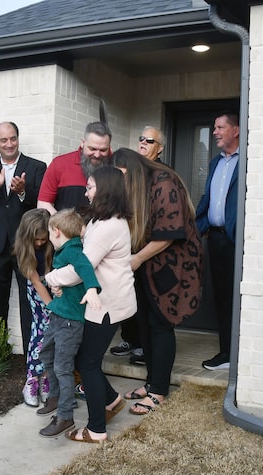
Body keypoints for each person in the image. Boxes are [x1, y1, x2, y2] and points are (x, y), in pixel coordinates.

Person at [44, 166, 135, 442]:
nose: (86, 191)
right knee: (87, 358)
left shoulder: (109, 226)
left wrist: (51, 277)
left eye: (91, 187)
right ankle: (110, 401)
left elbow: (80, 268)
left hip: (107, 304)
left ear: (105, 190)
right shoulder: (100, 220)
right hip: (101, 302)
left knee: (88, 362)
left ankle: (96, 429)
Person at [112, 148, 203, 415]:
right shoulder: (139, 185)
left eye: (122, 175)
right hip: (147, 262)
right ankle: (151, 382)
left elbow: (169, 233)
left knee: (160, 324)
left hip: (173, 265)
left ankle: (159, 392)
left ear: (133, 168)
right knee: (144, 323)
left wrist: (138, 258)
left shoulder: (164, 182)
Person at [0, 122, 47, 356]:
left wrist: (23, 192)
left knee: (30, 303)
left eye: (13, 138)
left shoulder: (36, 168)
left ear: (17, 138)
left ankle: (31, 359)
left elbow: (42, 207)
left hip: (27, 247)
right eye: (4, 140)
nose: (9, 144)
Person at [36, 209, 102, 438]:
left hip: (70, 323)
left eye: (49, 234)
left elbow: (85, 268)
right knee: (47, 355)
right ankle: (55, 398)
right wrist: (58, 287)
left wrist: (92, 288)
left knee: (62, 367)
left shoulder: (74, 250)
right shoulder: (65, 250)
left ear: (56, 232)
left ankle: (65, 415)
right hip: (58, 316)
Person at [109, 125, 166, 363]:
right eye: (141, 138)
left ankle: (145, 346)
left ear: (159, 148)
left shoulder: (162, 175)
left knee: (147, 303)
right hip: (128, 245)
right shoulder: (132, 171)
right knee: (127, 295)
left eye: (149, 141)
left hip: (151, 250)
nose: (143, 143)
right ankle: (131, 339)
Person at [195, 111, 240, 371]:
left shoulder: (246, 159)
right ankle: (226, 353)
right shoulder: (215, 163)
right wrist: (198, 227)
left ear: (235, 130)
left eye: (220, 127)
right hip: (216, 239)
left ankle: (234, 353)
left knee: (235, 297)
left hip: (237, 241)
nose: (215, 132)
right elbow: (208, 198)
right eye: (214, 127)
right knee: (221, 297)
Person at [13, 208, 54, 407]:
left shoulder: (49, 247)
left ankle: (45, 378)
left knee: (51, 336)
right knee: (40, 333)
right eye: (36, 240)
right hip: (39, 294)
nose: (39, 243)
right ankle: (32, 380)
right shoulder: (24, 250)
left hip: (53, 288)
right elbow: (37, 282)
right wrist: (51, 306)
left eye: (43, 239)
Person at [37, 121, 112, 214]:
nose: (97, 155)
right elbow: (44, 203)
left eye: (103, 150)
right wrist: (64, 225)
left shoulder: (116, 166)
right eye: (92, 149)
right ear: (83, 143)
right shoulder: (60, 164)